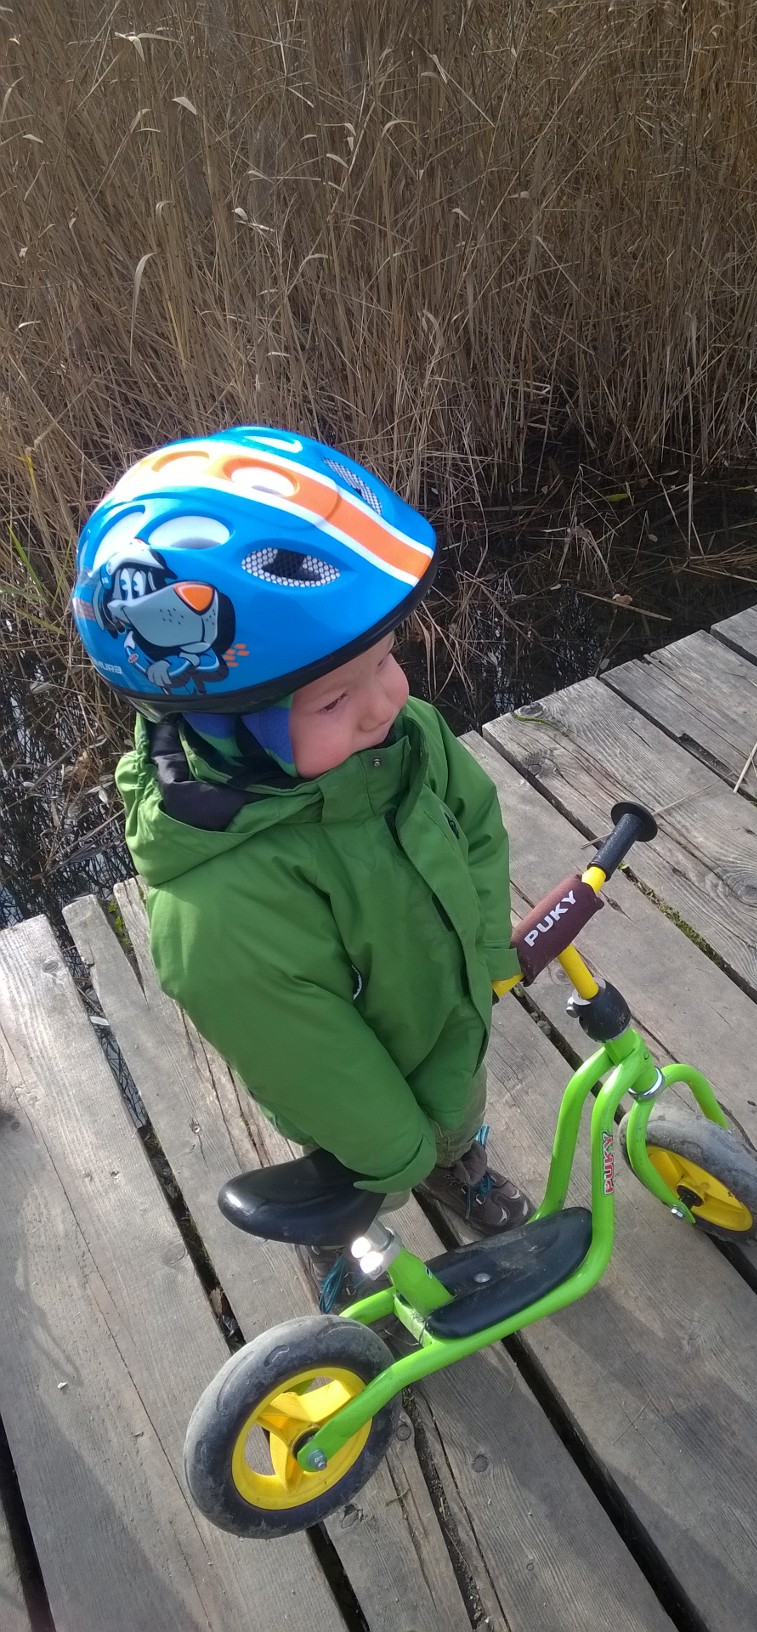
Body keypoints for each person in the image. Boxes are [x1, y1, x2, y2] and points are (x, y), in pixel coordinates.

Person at [71, 426, 533, 1310]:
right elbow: (305, 1058)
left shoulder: (405, 742)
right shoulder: (218, 906)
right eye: (334, 698)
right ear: (227, 724)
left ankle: (456, 1161)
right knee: (365, 1168)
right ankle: (355, 1238)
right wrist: (389, 1151)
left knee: (452, 1108)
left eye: (387, 660)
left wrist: (485, 947)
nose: (388, 700)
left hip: (448, 1010)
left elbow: (475, 822)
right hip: (346, 1089)